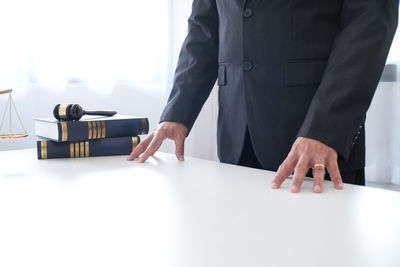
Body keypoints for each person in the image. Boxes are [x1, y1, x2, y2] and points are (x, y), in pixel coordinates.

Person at [128, 0, 399, 193]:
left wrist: (325, 129)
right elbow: (204, 28)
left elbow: (370, 24)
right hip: (236, 138)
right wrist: (177, 113)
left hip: (314, 139)